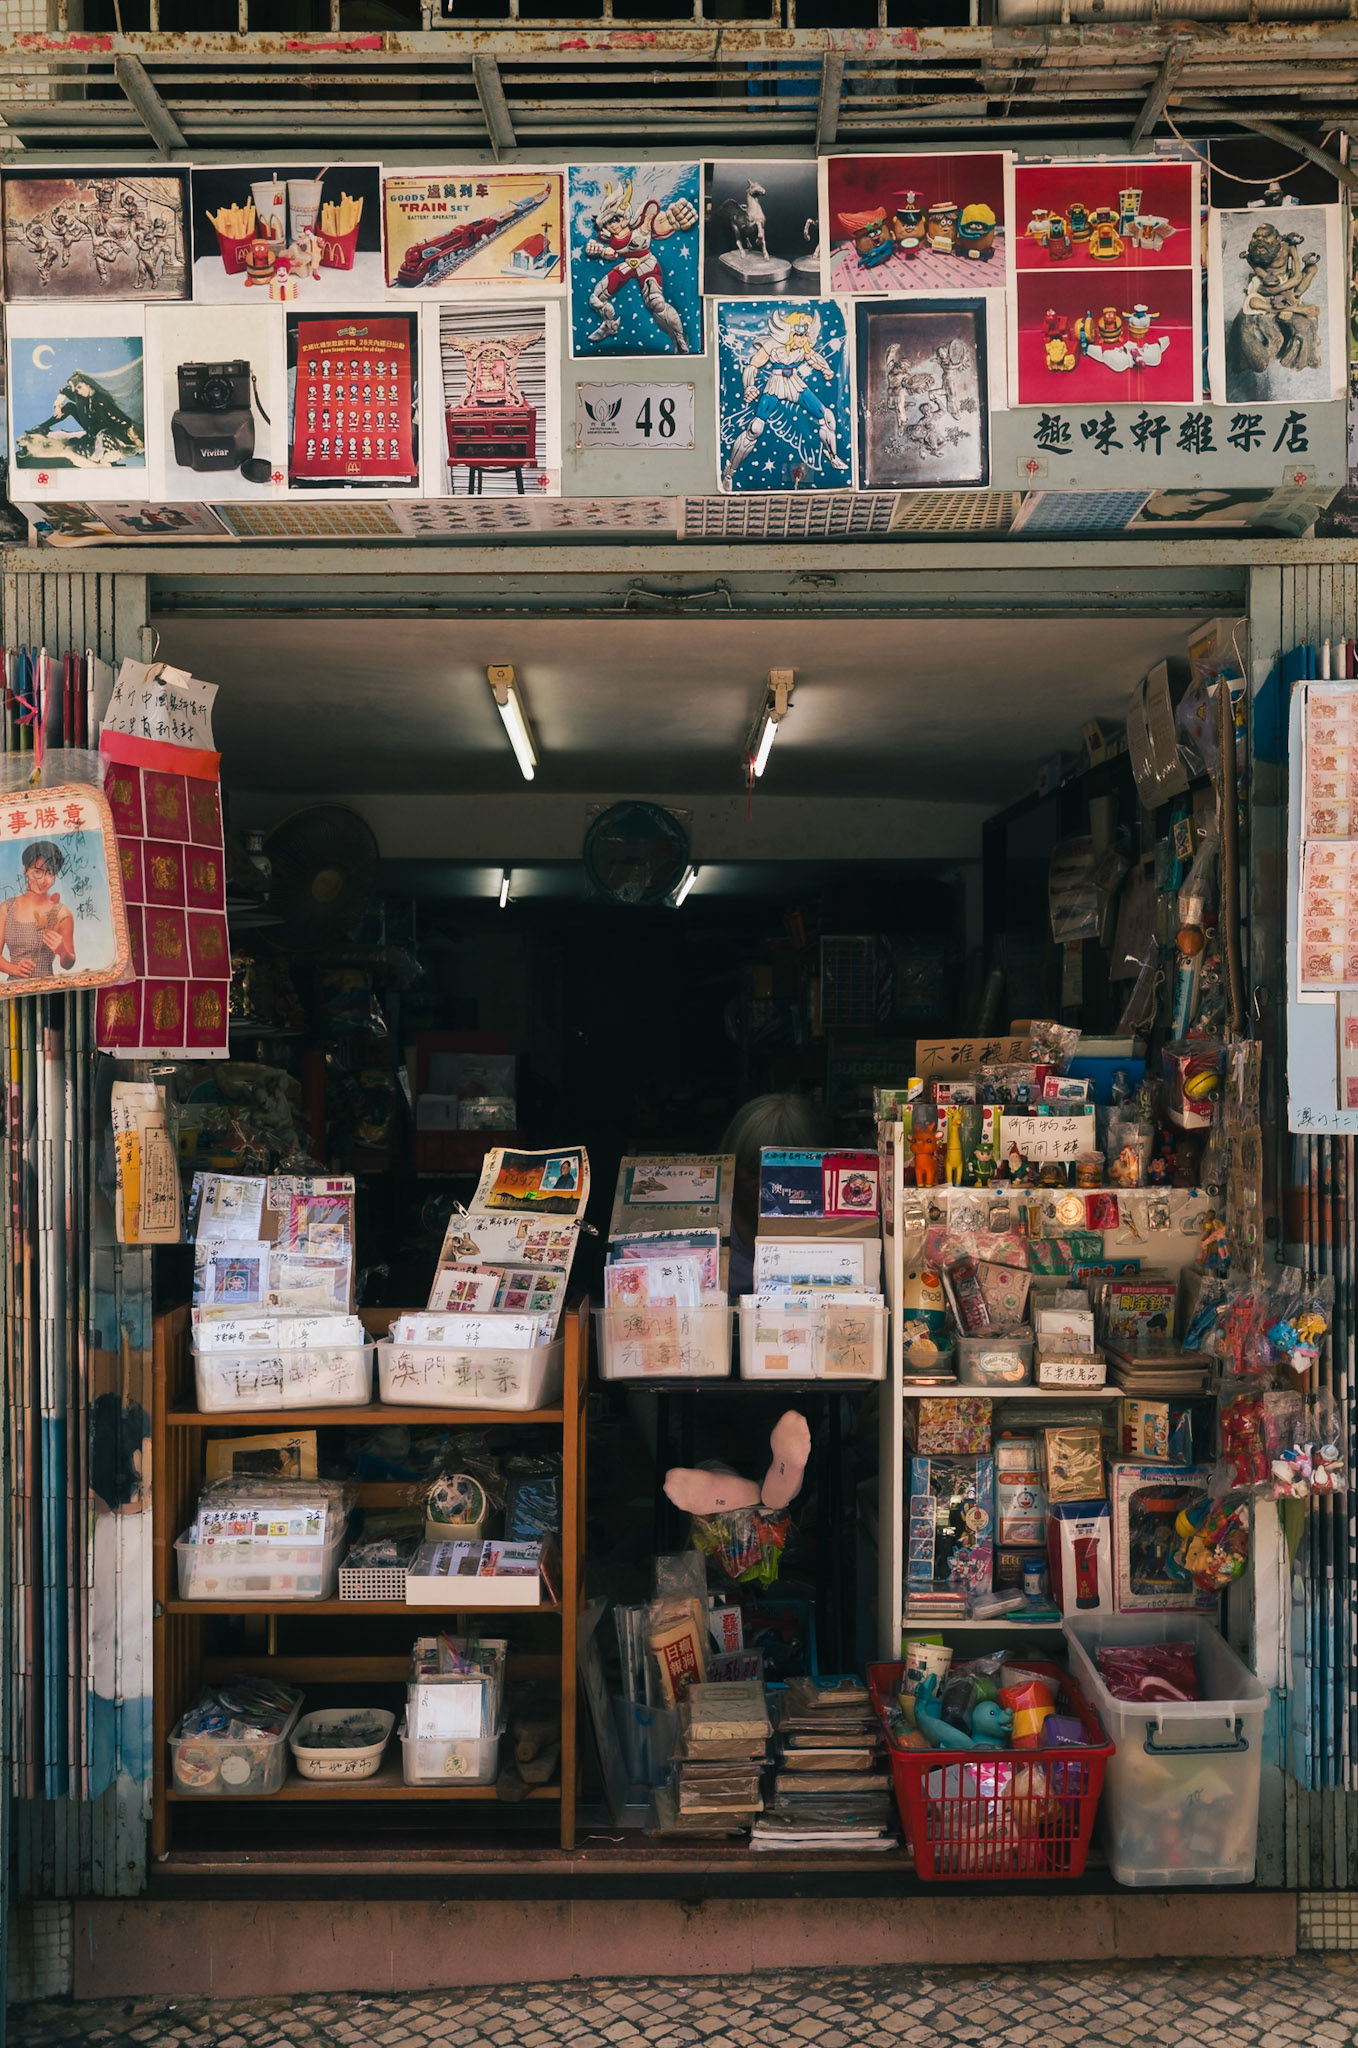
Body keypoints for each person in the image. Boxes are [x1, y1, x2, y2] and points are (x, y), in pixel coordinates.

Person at [719, 1092, 832, 1300]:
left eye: (783, 1175)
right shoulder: (713, 1223)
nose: (767, 1187)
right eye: (754, 1173)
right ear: (730, 1166)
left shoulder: (832, 1224)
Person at [0, 840, 75, 979]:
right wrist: (14, 969)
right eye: (37, 871)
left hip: (47, 991)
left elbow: (69, 963)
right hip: (14, 991)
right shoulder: (6, 908)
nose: (43, 880)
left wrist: (62, 951)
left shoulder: (61, 913)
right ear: (25, 869)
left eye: (50, 873)